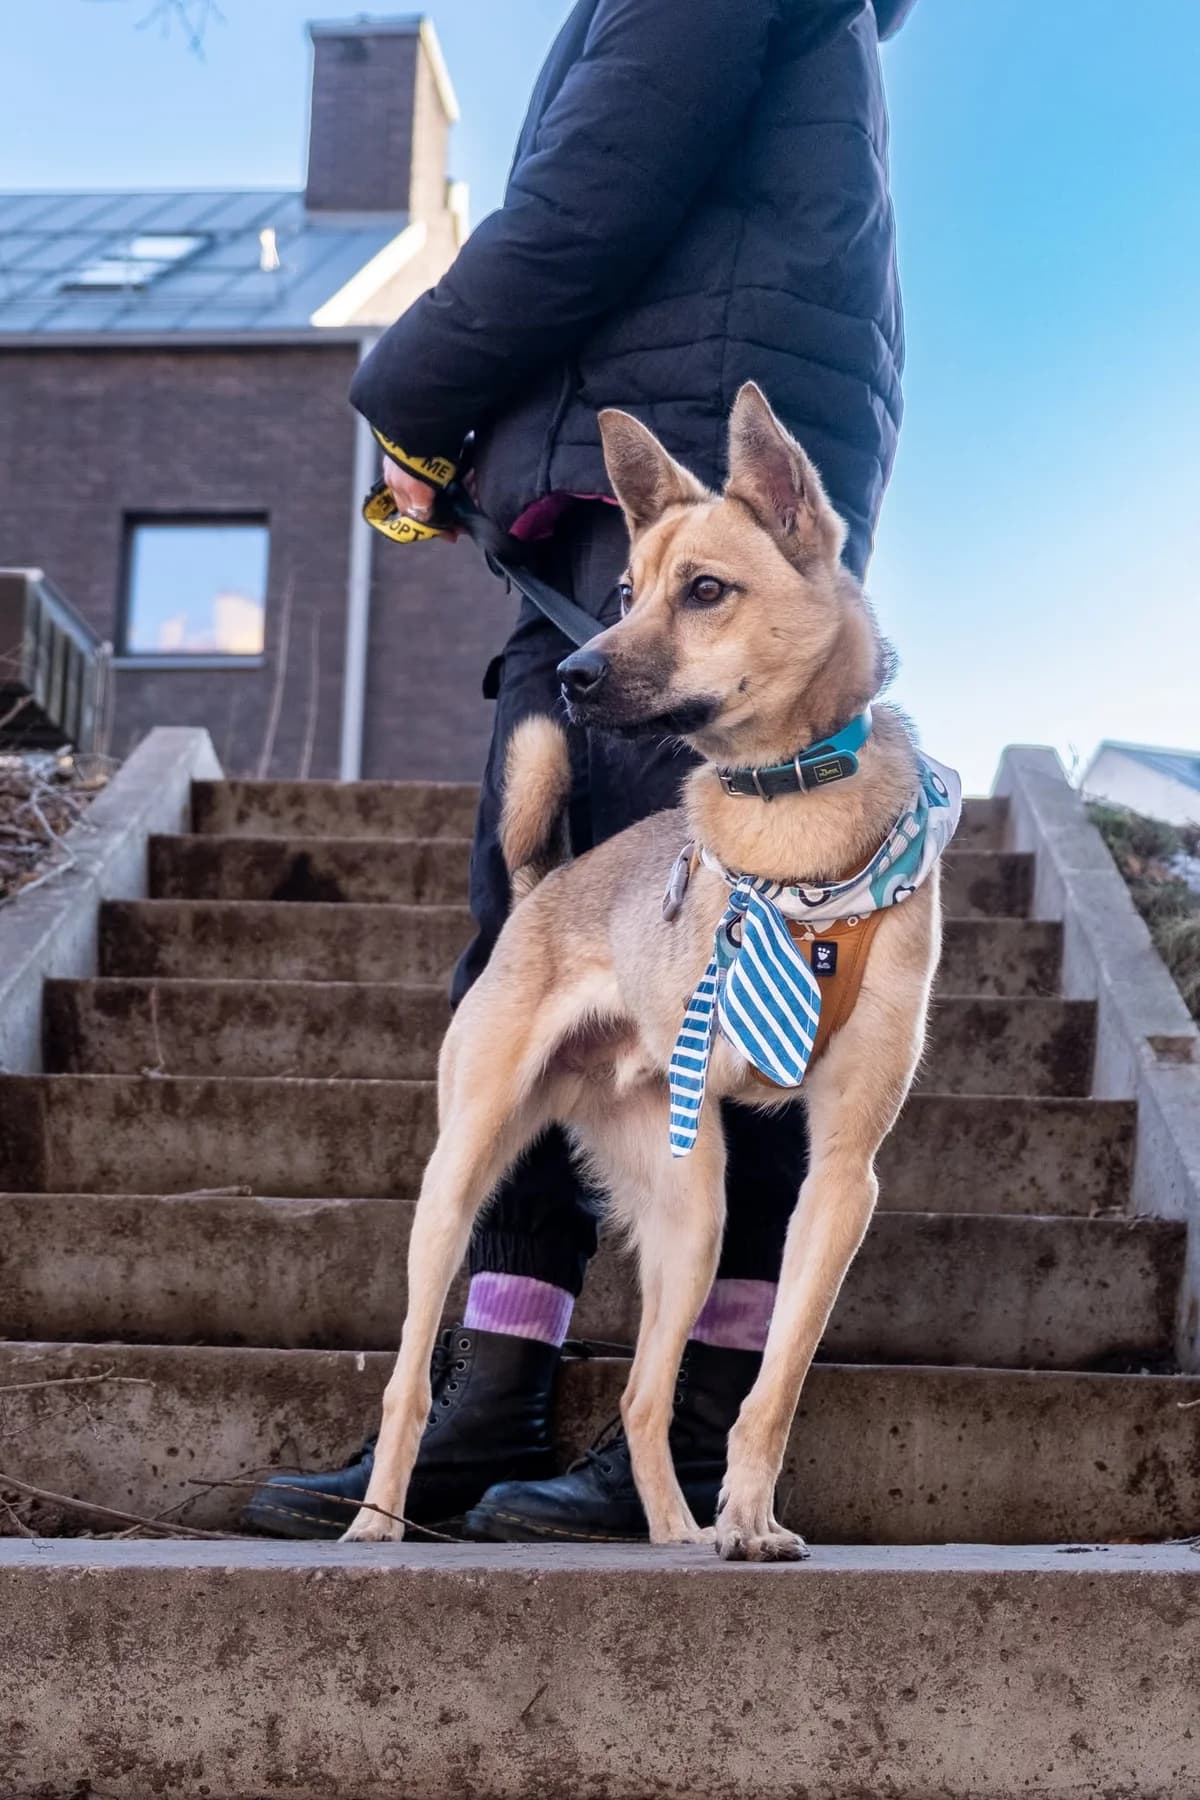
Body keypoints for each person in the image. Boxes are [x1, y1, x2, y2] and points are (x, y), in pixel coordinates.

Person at [246, 0, 915, 1543]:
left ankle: (675, 1433)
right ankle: (496, 1391)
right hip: (654, 493)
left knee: (733, 972)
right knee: (548, 955)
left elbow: (586, 199)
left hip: (686, 500)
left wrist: (412, 400)